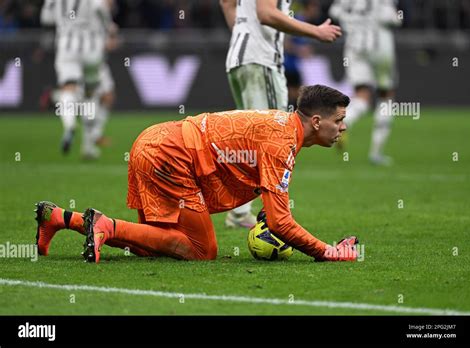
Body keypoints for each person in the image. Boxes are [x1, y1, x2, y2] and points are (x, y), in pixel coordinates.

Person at [35, 85, 358, 263]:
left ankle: (62, 218)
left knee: (156, 247)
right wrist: (327, 251)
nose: (343, 128)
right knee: (202, 251)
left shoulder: (281, 126)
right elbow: (279, 222)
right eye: (340, 120)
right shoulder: (282, 142)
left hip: (155, 140)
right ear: (316, 121)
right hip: (171, 155)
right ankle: (105, 224)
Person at [219, 0, 342, 228]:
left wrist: (243, 33)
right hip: (260, 61)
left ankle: (241, 212)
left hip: (240, 60)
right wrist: (316, 31)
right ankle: (272, 214)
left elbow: (227, 3)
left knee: (249, 141)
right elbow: (266, 14)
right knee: (277, 136)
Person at [329, 0, 402, 165]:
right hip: (380, 45)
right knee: (386, 95)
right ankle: (376, 153)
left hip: (353, 46)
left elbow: (334, 12)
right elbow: (393, 18)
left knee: (361, 96)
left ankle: (344, 121)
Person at [40, 0, 114, 159]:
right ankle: (88, 146)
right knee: (90, 95)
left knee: (69, 88)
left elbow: (46, 18)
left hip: (66, 46)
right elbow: (100, 8)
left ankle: (70, 125)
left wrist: (66, 21)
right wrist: (110, 28)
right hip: (92, 49)